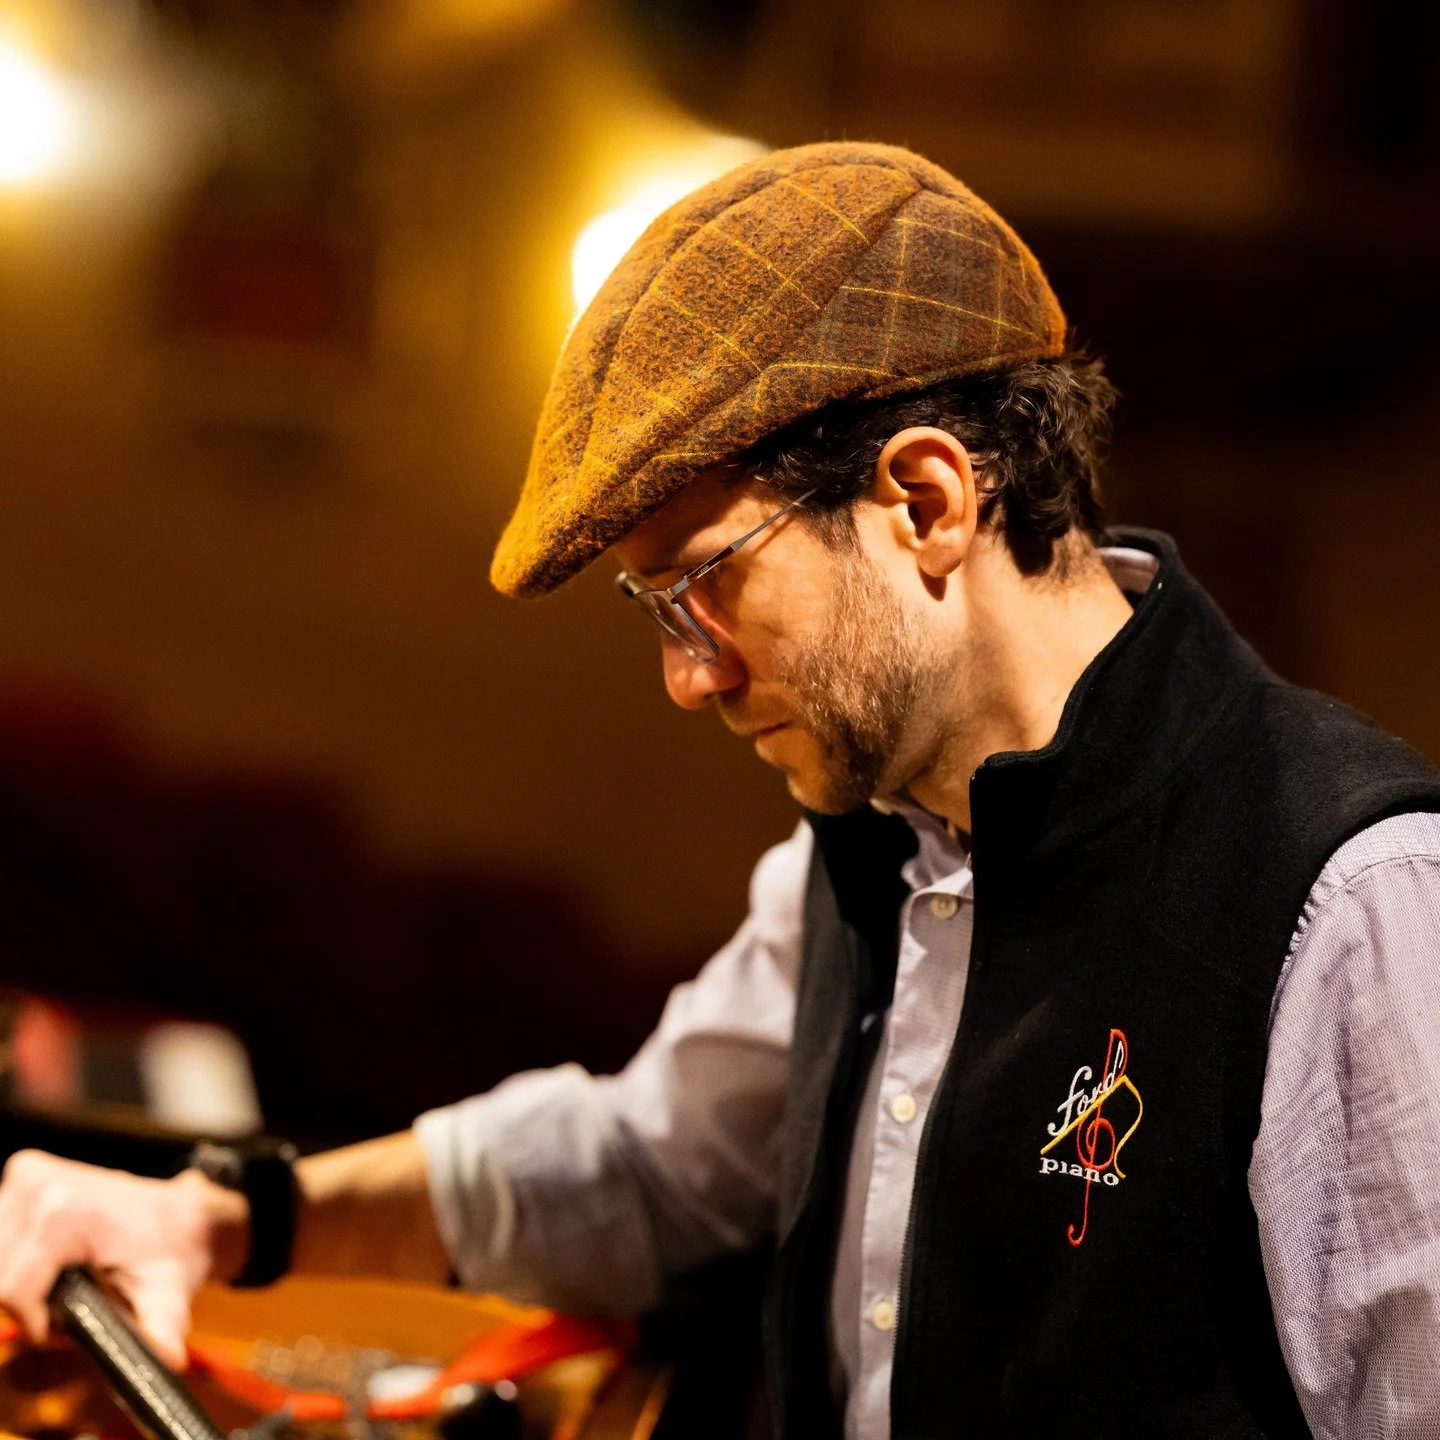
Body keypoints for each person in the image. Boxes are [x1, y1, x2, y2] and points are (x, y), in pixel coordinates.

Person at [2, 142, 1439, 1440]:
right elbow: (644, 1163)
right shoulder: (869, 844)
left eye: (704, 588)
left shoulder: (1353, 902)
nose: (687, 678)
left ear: (928, 502)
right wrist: (219, 1216)